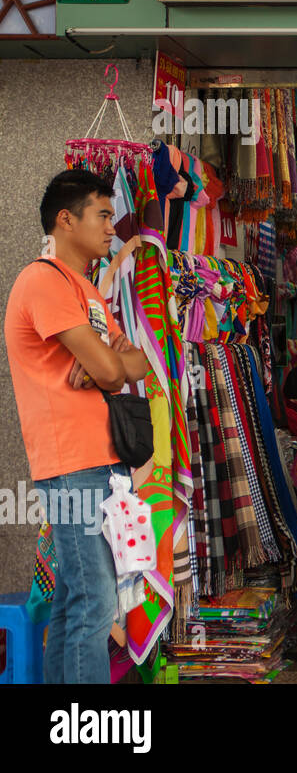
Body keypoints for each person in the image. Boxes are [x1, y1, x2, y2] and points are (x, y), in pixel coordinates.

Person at [4, 170, 150, 683]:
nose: (113, 227)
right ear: (66, 220)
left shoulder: (85, 287)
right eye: (103, 215)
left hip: (104, 460)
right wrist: (107, 364)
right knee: (95, 600)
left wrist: (107, 363)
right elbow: (114, 369)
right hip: (71, 464)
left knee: (72, 597)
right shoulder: (40, 281)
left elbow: (136, 364)